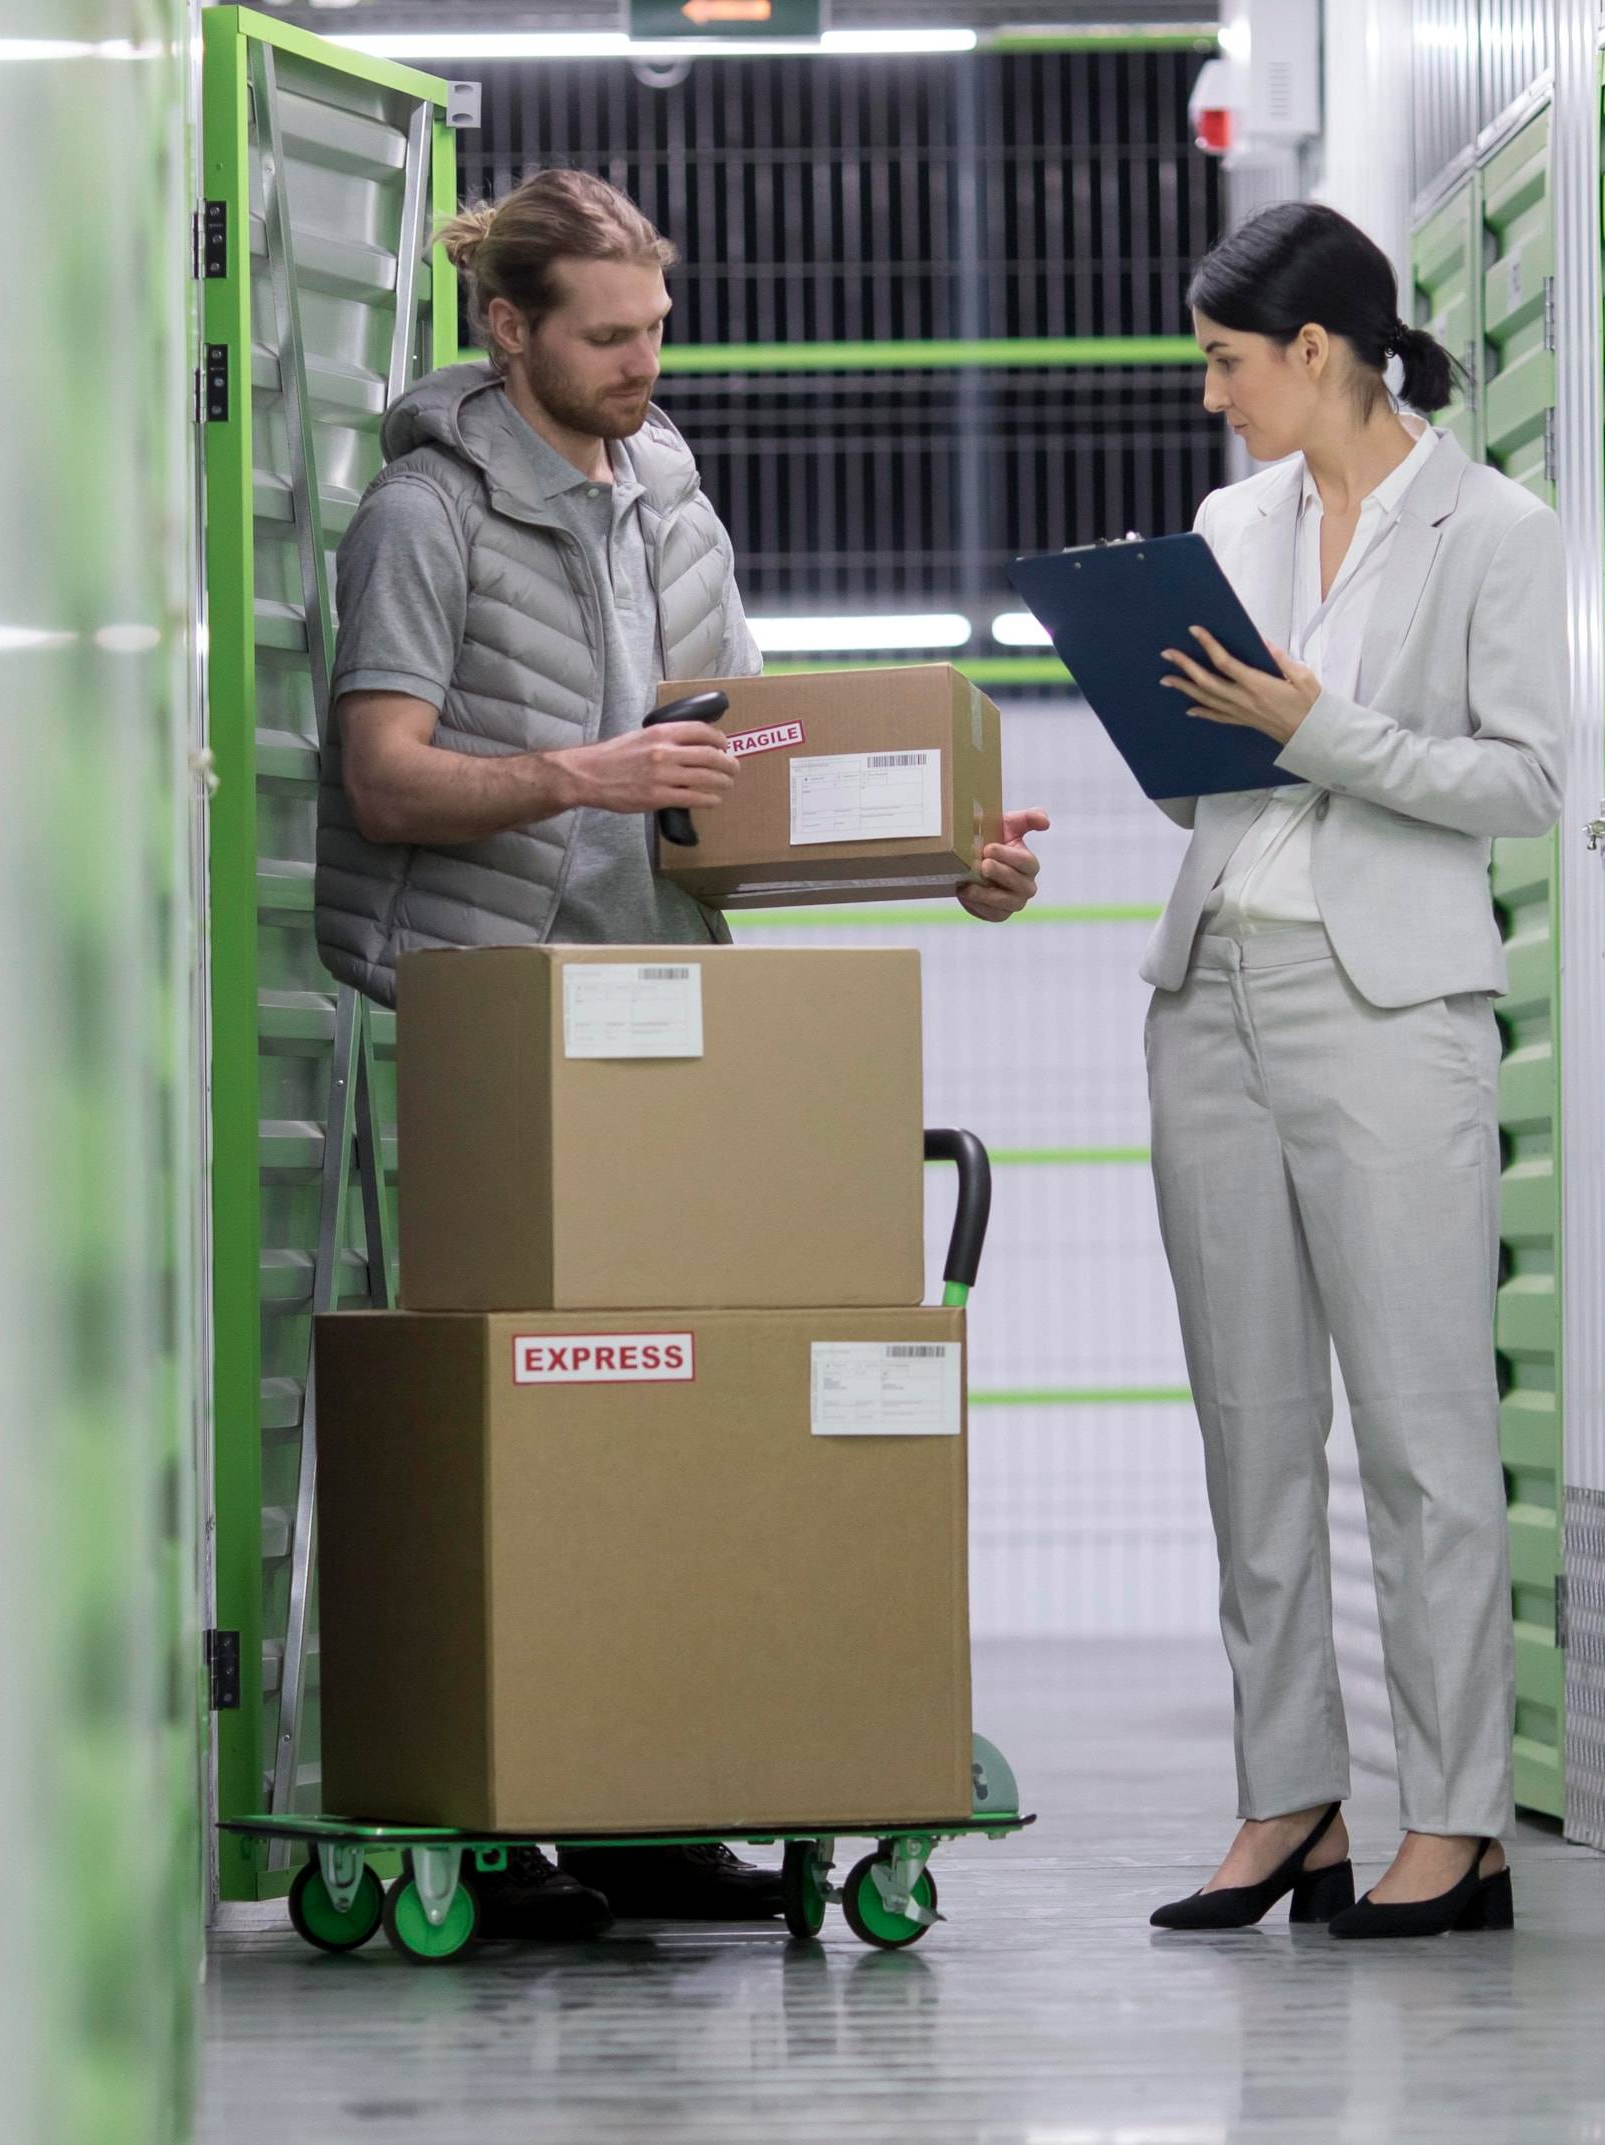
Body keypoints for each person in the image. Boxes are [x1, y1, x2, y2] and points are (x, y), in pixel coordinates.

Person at [315, 169, 1049, 1938]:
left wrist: (949, 859)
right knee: (525, 1416)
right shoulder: (426, 516)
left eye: (659, 327)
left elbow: (747, 787)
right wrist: (585, 770)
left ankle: (643, 1800)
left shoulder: (674, 499)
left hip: (658, 1014)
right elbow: (383, 777)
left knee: (661, 1407)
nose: (648, 362)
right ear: (510, 329)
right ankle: (509, 1790)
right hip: (485, 1011)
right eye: (610, 334)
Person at [1130, 200, 1563, 1940]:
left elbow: (1527, 782)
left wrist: (1311, 721)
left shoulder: (1493, 528)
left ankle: (1456, 1821)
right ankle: (1288, 1798)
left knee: (1421, 1426)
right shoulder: (1234, 518)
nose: (1215, 393)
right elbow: (1202, 786)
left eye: (1229, 361)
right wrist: (1190, 726)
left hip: (1387, 1004)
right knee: (1252, 1423)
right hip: (1212, 982)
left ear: (1318, 353)